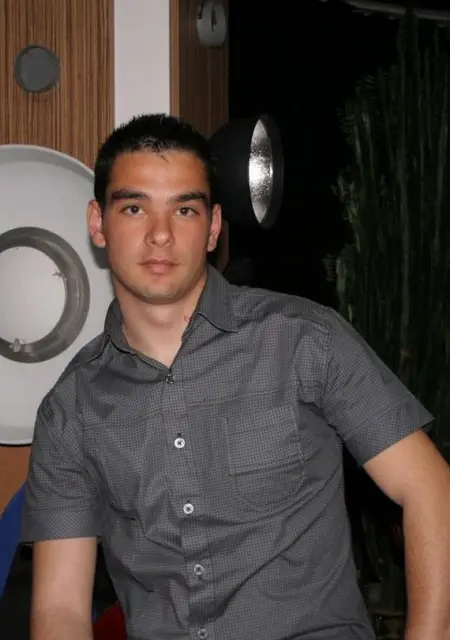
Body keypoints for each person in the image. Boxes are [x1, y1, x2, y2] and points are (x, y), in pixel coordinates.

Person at [22, 114, 450, 640]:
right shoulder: (70, 409)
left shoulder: (303, 340)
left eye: (184, 209)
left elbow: (430, 490)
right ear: (98, 223)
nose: (160, 234)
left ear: (213, 227)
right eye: (134, 208)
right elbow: (60, 609)